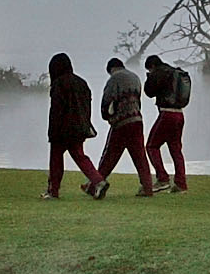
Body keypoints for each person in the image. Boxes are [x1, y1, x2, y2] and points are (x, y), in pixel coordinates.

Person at [43, 52, 103, 199]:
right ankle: (98, 180)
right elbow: (87, 106)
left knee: (56, 159)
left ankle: (53, 190)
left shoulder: (58, 84)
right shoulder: (82, 83)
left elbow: (56, 109)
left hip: (62, 129)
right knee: (80, 156)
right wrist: (87, 124)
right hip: (79, 128)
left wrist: (52, 131)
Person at [95, 56, 153, 197]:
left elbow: (107, 100)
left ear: (111, 69)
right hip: (136, 120)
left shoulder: (113, 79)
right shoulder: (135, 77)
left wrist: (106, 116)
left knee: (110, 155)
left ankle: (94, 183)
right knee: (140, 155)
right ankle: (147, 187)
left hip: (121, 122)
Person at [143, 54, 189, 193]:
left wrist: (149, 78)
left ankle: (162, 178)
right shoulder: (175, 72)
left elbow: (149, 92)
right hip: (179, 114)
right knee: (176, 149)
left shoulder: (159, 73)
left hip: (166, 113)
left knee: (152, 146)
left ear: (152, 66)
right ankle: (181, 184)